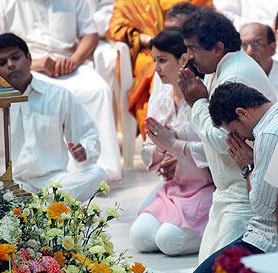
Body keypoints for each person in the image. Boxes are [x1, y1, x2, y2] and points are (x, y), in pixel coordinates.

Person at [0, 0, 121, 181]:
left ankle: (100, 165)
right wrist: (32, 63)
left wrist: (73, 61)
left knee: (98, 90)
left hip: (67, 62)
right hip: (28, 67)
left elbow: (90, 35)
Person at [178, 8, 277, 263]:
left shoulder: (234, 73)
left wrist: (197, 103)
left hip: (246, 197)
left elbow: (225, 140)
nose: (189, 56)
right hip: (229, 192)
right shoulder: (223, 67)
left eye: (193, 49)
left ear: (218, 48)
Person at [0, 33, 106, 202]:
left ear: (29, 58)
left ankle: (36, 207)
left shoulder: (58, 96)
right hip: (14, 185)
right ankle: (51, 208)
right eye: (2, 63)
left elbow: (88, 134)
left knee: (97, 174)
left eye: (15, 57)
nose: (11, 65)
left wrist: (84, 150)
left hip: (55, 182)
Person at [130, 28, 215, 256]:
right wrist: (162, 155)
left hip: (205, 187)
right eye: (155, 61)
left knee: (168, 241)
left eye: (162, 60)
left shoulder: (203, 97)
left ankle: (217, 231)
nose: (156, 68)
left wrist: (177, 151)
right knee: (140, 237)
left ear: (184, 58)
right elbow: (149, 148)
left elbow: (216, 149)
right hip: (174, 187)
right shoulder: (161, 98)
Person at [193, 82, 278, 272]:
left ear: (242, 113)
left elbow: (263, 208)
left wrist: (247, 166)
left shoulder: (268, 134)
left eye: (233, 131)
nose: (237, 138)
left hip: (267, 240)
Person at [106, 0, 212, 138]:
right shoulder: (159, 76)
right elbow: (151, 142)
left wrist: (175, 147)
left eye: (176, 33)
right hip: (147, 51)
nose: (157, 68)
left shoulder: (211, 78)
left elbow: (214, 145)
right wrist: (158, 153)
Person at [240, 23, 278, 91]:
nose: (249, 52)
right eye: (243, 45)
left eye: (256, 44)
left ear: (272, 48)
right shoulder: (233, 77)